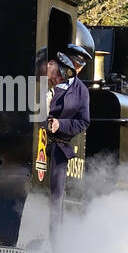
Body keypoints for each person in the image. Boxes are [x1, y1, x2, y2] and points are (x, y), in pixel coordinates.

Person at [46, 51, 91, 232]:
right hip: (34, 137)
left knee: (56, 195)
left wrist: (60, 124)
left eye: (79, 66)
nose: (75, 68)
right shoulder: (47, 75)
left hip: (58, 145)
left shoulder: (81, 92)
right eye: (73, 63)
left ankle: (54, 237)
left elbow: (83, 121)